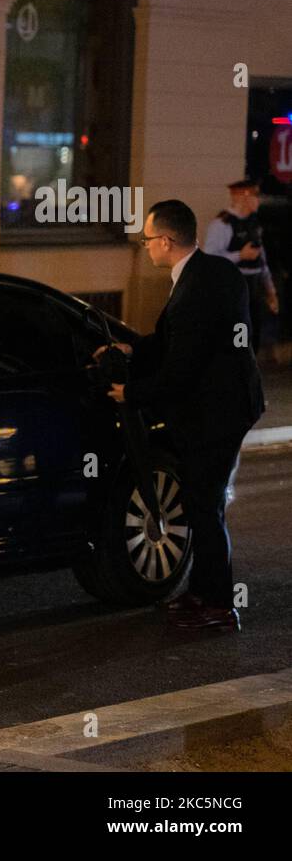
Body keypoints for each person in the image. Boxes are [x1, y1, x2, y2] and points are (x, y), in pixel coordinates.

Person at [105, 199, 264, 631]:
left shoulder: (194, 288)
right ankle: (201, 591)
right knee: (201, 504)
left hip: (217, 413)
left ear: (166, 240)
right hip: (232, 404)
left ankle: (218, 605)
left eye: (148, 240)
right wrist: (133, 349)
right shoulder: (213, 272)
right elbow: (170, 337)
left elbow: (182, 366)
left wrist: (130, 393)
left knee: (204, 506)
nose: (146, 247)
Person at [203, 179, 280, 354]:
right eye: (255, 196)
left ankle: (247, 375)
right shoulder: (222, 224)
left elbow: (262, 261)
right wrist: (240, 255)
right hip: (232, 288)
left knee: (253, 338)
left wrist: (270, 292)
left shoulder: (254, 223)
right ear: (243, 197)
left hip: (253, 288)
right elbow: (210, 260)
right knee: (237, 339)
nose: (258, 200)